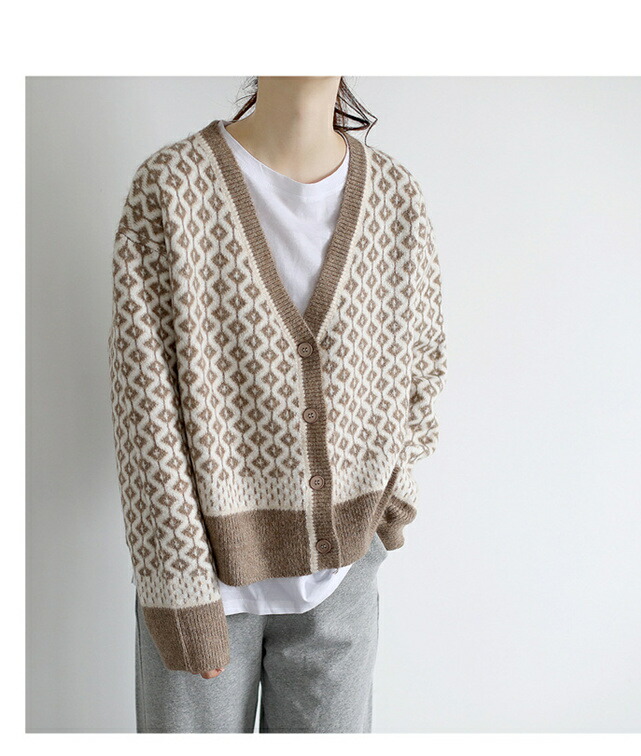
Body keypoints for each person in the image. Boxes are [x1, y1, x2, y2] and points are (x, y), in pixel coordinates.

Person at [108, 76, 447, 733]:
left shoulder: (396, 198)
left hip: (343, 580)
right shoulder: (171, 190)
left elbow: (423, 363)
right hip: (205, 582)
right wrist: (182, 595)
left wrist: (390, 498)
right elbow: (144, 414)